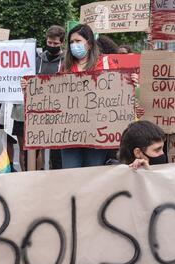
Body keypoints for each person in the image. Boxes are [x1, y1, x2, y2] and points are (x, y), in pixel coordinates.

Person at [60, 24, 124, 169]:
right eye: (71, 42)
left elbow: (118, 89)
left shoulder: (105, 64)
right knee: (70, 173)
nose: (74, 45)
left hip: (97, 131)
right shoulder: (65, 66)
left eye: (78, 41)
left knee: (93, 173)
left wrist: (129, 80)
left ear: (88, 43)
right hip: (70, 132)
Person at [18, 25, 66, 170]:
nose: (52, 46)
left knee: (57, 153)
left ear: (61, 43)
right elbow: (28, 78)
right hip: (38, 111)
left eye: (55, 44)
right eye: (49, 43)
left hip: (59, 112)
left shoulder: (66, 61)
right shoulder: (37, 60)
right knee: (33, 151)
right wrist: (25, 84)